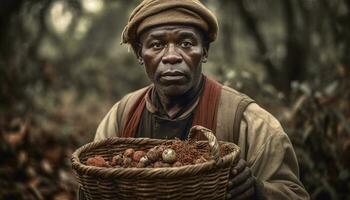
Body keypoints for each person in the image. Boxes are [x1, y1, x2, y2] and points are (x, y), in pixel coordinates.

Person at [93, 0, 310, 199]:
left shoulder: (249, 122)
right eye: (157, 45)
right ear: (141, 55)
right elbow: (89, 188)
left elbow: (294, 193)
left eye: (186, 43)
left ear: (204, 51)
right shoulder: (122, 117)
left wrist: (257, 191)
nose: (171, 56)